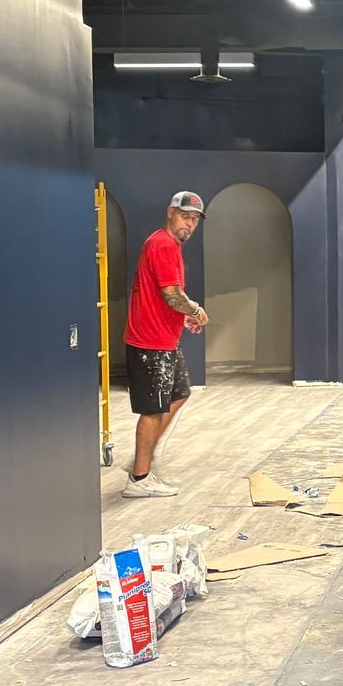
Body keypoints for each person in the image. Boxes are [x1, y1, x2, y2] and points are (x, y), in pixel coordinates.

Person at [120, 191, 209, 498]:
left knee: (180, 393)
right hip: (150, 343)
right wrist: (196, 311)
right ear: (170, 211)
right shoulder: (162, 244)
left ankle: (145, 453)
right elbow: (172, 294)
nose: (190, 223)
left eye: (195, 219)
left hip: (163, 339)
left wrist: (181, 318)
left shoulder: (166, 244)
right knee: (152, 411)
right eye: (186, 216)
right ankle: (139, 478)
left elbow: (163, 297)